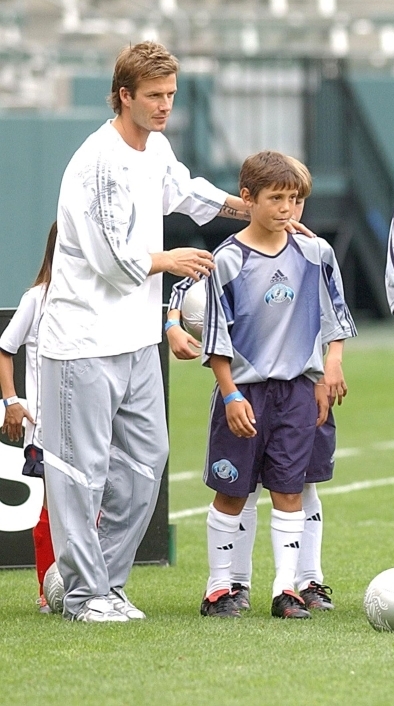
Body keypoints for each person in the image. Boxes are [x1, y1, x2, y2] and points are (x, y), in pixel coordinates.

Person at [39, 42, 255, 623]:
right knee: (80, 472)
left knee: (147, 460)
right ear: (124, 95)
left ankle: (103, 583)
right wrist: (172, 260)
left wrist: (251, 207)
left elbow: (185, 191)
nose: (164, 107)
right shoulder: (100, 160)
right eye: (154, 96)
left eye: (171, 96)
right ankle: (84, 596)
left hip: (136, 341)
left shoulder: (154, 147)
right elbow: (113, 261)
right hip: (82, 341)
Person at [169, 156, 341, 613]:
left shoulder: (314, 252)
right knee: (233, 490)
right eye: (277, 199)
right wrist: (229, 393)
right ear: (248, 199)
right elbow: (217, 334)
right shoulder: (227, 259)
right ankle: (220, 587)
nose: (288, 209)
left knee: (290, 488)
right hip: (245, 392)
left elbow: (333, 315)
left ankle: (286, 589)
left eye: (296, 199)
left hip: (299, 392)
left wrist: (329, 369)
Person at [0, 222, 57, 612]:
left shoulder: (97, 302)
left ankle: (91, 583)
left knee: (98, 506)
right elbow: (6, 348)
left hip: (91, 426)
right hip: (47, 428)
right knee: (54, 507)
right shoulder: (37, 298)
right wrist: (12, 401)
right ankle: (47, 588)